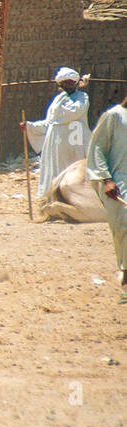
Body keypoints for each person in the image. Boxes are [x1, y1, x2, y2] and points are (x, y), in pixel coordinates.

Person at [85, 87, 127, 302]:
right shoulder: (113, 116)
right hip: (119, 181)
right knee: (124, 229)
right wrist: (106, 179)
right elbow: (97, 148)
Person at [22, 67, 90, 199]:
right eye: (65, 83)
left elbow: (74, 112)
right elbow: (50, 123)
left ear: (76, 83)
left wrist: (63, 97)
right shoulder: (56, 101)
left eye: (71, 83)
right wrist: (29, 126)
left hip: (75, 143)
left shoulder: (82, 97)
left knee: (75, 171)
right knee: (56, 171)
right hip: (56, 145)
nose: (68, 86)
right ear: (60, 84)